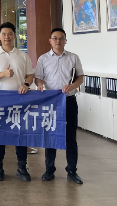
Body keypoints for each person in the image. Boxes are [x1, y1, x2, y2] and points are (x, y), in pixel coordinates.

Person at [0, 22, 34, 182]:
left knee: (21, 134)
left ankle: (22, 167)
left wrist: (26, 84)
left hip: (20, 101)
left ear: (14, 36)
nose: (7, 37)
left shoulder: (23, 55)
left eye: (10, 34)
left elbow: (30, 74)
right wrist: (3, 74)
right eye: (4, 34)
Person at [34, 28, 85, 184]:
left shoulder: (73, 57)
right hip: (51, 102)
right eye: (55, 38)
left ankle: (72, 170)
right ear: (50, 41)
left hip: (68, 100)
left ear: (65, 41)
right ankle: (49, 169)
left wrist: (72, 86)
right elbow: (38, 78)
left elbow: (80, 77)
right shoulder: (43, 59)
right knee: (51, 135)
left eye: (61, 38)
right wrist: (40, 84)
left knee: (71, 136)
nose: (58, 41)